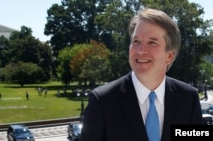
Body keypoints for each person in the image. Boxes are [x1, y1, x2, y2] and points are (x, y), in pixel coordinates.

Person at [80, 8, 203, 141]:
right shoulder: (102, 101)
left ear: (169, 56)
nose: (140, 51)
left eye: (152, 42)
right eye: (136, 41)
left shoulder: (188, 99)